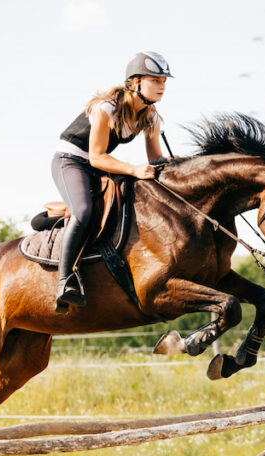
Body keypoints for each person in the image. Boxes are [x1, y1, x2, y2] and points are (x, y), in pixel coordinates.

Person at [51, 51, 173, 311]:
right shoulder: (107, 107)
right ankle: (64, 281)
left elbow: (155, 159)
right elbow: (96, 157)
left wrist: (182, 167)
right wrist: (133, 169)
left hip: (98, 166)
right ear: (135, 82)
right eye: (155, 80)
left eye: (164, 81)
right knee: (83, 212)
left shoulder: (150, 116)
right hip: (71, 161)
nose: (161, 86)